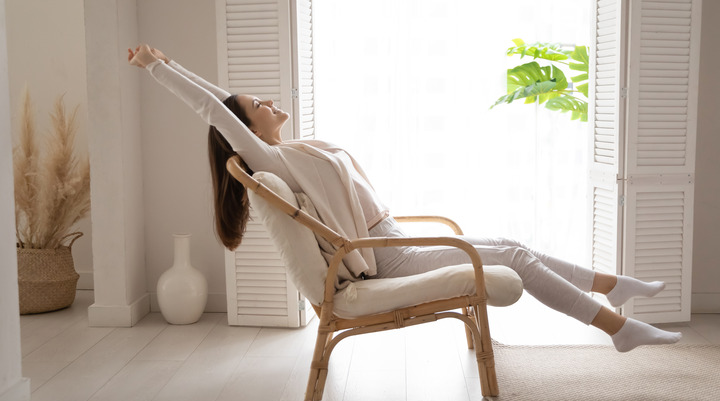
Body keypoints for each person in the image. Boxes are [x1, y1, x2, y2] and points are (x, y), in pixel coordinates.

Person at [128, 44, 682, 353]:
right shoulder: (272, 161)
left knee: (513, 243)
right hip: (389, 256)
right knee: (513, 257)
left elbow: (227, 112)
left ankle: (614, 287)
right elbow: (213, 111)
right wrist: (159, 66)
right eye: (257, 103)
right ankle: (618, 329)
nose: (270, 100)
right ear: (245, 128)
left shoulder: (294, 148)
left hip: (392, 238)